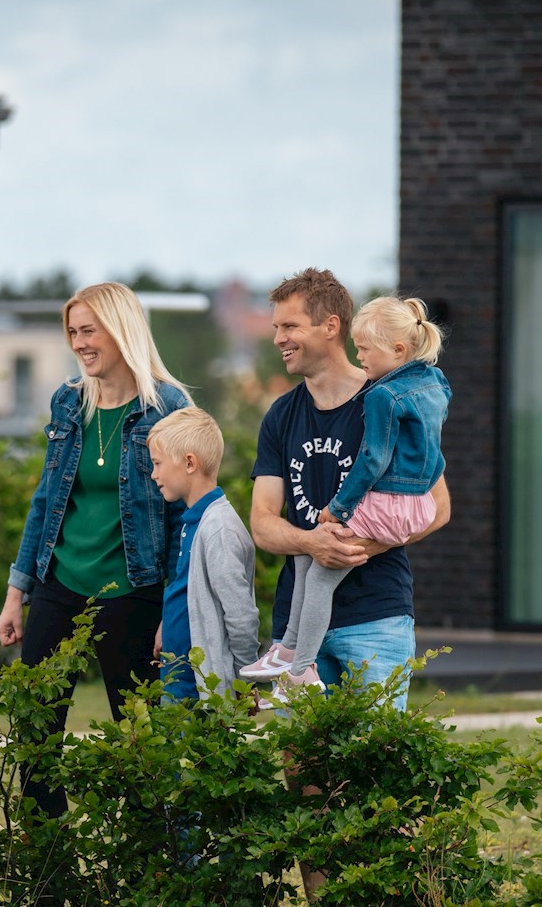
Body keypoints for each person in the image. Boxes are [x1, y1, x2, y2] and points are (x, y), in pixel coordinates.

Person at [0, 281, 194, 811]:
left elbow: (183, 520)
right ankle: (48, 871)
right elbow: (46, 502)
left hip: (134, 591)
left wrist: (170, 613)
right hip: (59, 586)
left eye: (90, 331)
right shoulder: (68, 402)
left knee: (137, 739)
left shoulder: (168, 407)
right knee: (35, 736)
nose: (80, 343)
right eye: (72, 332)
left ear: (121, 330)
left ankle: (144, 872)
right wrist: (17, 593)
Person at [246, 269, 451, 709]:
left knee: (375, 764)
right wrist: (313, 543)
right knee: (305, 772)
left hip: (376, 617)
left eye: (290, 326)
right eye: (277, 327)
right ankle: (294, 665)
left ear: (331, 327)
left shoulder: (393, 401)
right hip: (297, 627)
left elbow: (438, 506)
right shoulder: (280, 415)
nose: (279, 338)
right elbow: (262, 523)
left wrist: (353, 548)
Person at [146, 407, 259, 699]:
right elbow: (186, 591)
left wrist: (245, 681)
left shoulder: (218, 528)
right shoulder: (191, 521)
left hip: (199, 689)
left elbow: (240, 616)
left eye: (157, 464)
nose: (153, 474)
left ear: (189, 463)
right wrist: (165, 628)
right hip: (177, 676)